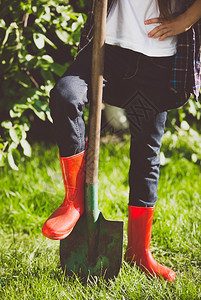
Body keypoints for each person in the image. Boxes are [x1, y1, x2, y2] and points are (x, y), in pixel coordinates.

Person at [42, 0, 201, 282]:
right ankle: (74, 202)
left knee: (146, 154)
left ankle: (139, 252)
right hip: (108, 51)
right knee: (66, 96)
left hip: (158, 61)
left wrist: (187, 19)